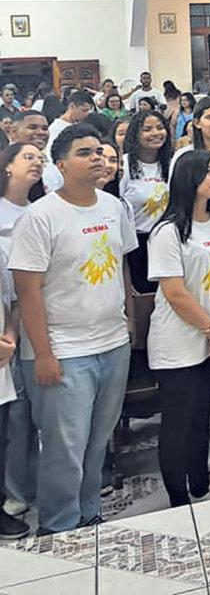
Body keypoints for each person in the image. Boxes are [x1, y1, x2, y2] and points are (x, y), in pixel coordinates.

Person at [9, 124, 136, 533]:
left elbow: (123, 268)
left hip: (112, 342)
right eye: (85, 153)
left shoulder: (114, 207)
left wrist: (130, 320)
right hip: (63, 349)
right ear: (61, 165)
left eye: (100, 151)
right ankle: (59, 525)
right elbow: (28, 292)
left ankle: (87, 512)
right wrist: (43, 355)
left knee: (97, 440)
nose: (98, 158)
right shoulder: (40, 216)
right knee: (64, 446)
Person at [147, 151, 210, 506]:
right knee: (178, 422)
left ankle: (201, 485)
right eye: (207, 172)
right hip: (178, 339)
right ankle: (178, 500)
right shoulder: (167, 231)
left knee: (202, 414)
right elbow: (174, 292)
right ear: (188, 178)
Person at [0, 144, 44, 536]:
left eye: (39, 157)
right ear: (7, 165)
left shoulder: (42, 210)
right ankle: (14, 490)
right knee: (14, 412)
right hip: (8, 320)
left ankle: (35, 482)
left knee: (35, 406)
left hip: (37, 316)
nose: (36, 162)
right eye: (27, 156)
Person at [120, 110, 173, 293]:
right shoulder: (124, 165)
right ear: (135, 134)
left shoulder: (172, 163)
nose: (155, 133)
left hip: (167, 241)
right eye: (147, 129)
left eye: (160, 128)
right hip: (136, 244)